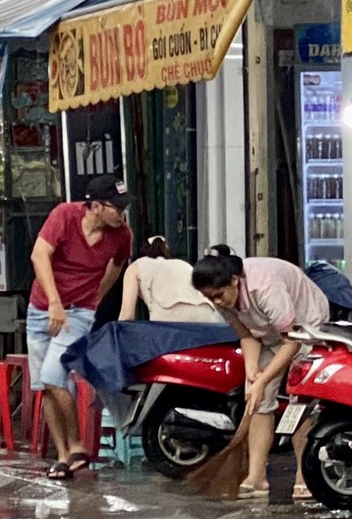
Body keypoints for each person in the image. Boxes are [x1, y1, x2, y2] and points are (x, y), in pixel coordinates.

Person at [190, 248, 330, 500]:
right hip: (268, 335)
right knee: (257, 400)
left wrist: (263, 379)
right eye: (212, 298)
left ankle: (304, 476)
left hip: (305, 329)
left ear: (234, 280)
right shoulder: (221, 298)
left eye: (220, 295)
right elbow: (246, 335)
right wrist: (253, 373)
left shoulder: (265, 286)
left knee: (300, 400)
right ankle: (256, 477)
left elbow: (291, 342)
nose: (218, 302)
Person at [29, 177, 134, 478]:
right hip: (42, 308)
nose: (122, 215)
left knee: (54, 374)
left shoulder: (121, 235)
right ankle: (63, 457)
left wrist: (96, 297)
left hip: (79, 312)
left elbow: (117, 264)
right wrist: (53, 302)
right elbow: (39, 255)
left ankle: (76, 445)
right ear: (97, 206)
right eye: (117, 208)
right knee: (45, 386)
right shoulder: (65, 215)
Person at [119, 236, 220, 323]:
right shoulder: (183, 264)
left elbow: (127, 315)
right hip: (207, 315)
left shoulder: (136, 266)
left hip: (171, 319)